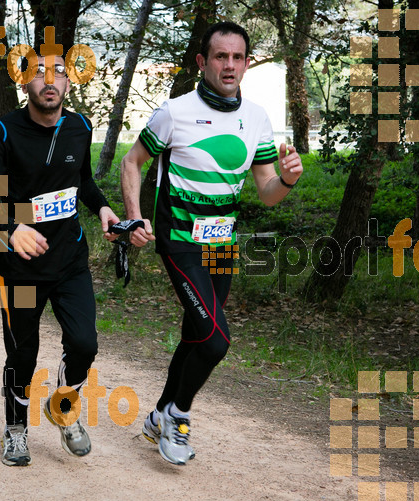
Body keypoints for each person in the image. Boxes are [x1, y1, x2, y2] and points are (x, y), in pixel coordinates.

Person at [119, 21, 303, 465]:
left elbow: (266, 191)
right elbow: (132, 161)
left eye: (238, 57)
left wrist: (288, 180)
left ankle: (160, 411)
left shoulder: (256, 117)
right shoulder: (174, 112)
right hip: (180, 240)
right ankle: (178, 418)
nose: (230, 65)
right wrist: (135, 217)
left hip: (221, 245)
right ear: (203, 62)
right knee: (216, 340)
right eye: (221, 56)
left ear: (246, 64)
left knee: (196, 336)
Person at [0, 52, 119, 466]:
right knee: (22, 353)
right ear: (25, 83)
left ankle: (63, 407)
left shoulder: (80, 127)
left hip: (70, 261)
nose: (51, 80)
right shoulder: (2, 132)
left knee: (85, 343)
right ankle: (15, 429)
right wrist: (11, 230)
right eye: (40, 73)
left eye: (60, 72)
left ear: (69, 83)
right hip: (20, 270)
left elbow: (81, 180)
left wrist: (101, 207)